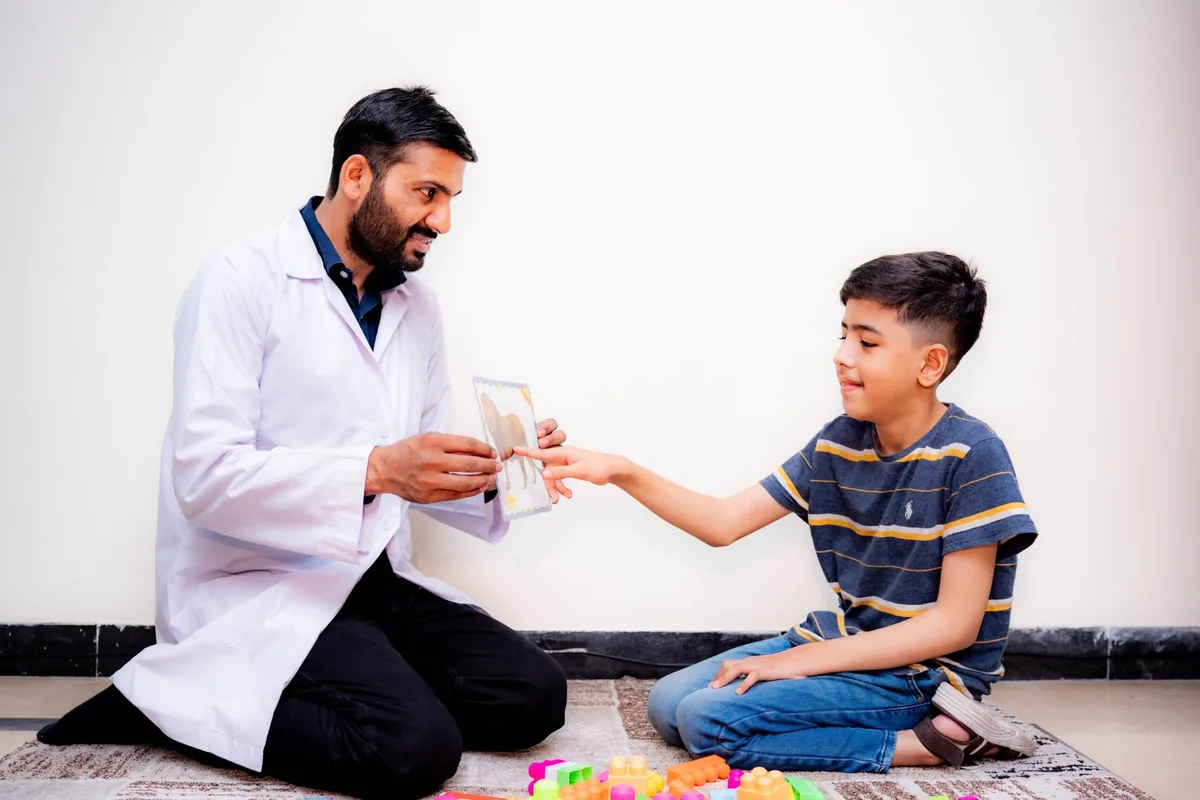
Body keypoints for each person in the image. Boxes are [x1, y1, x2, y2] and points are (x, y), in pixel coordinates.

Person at [39, 87, 570, 800]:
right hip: (263, 581)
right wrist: (378, 469)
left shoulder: (416, 307)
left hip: (371, 575)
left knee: (532, 696)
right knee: (412, 751)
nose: (441, 220)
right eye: (427, 193)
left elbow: (425, 454)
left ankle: (350, 674)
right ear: (357, 177)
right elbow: (204, 476)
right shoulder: (238, 281)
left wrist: (490, 468)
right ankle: (169, 703)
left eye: (450, 199)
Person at [517, 252, 1039, 772]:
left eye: (867, 342)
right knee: (669, 706)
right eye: (843, 335)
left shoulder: (973, 455)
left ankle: (934, 741)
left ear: (930, 364)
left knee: (708, 722)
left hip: (926, 675)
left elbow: (954, 627)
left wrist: (792, 664)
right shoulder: (838, 443)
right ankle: (861, 715)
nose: (842, 355)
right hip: (850, 644)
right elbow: (723, 523)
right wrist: (620, 471)